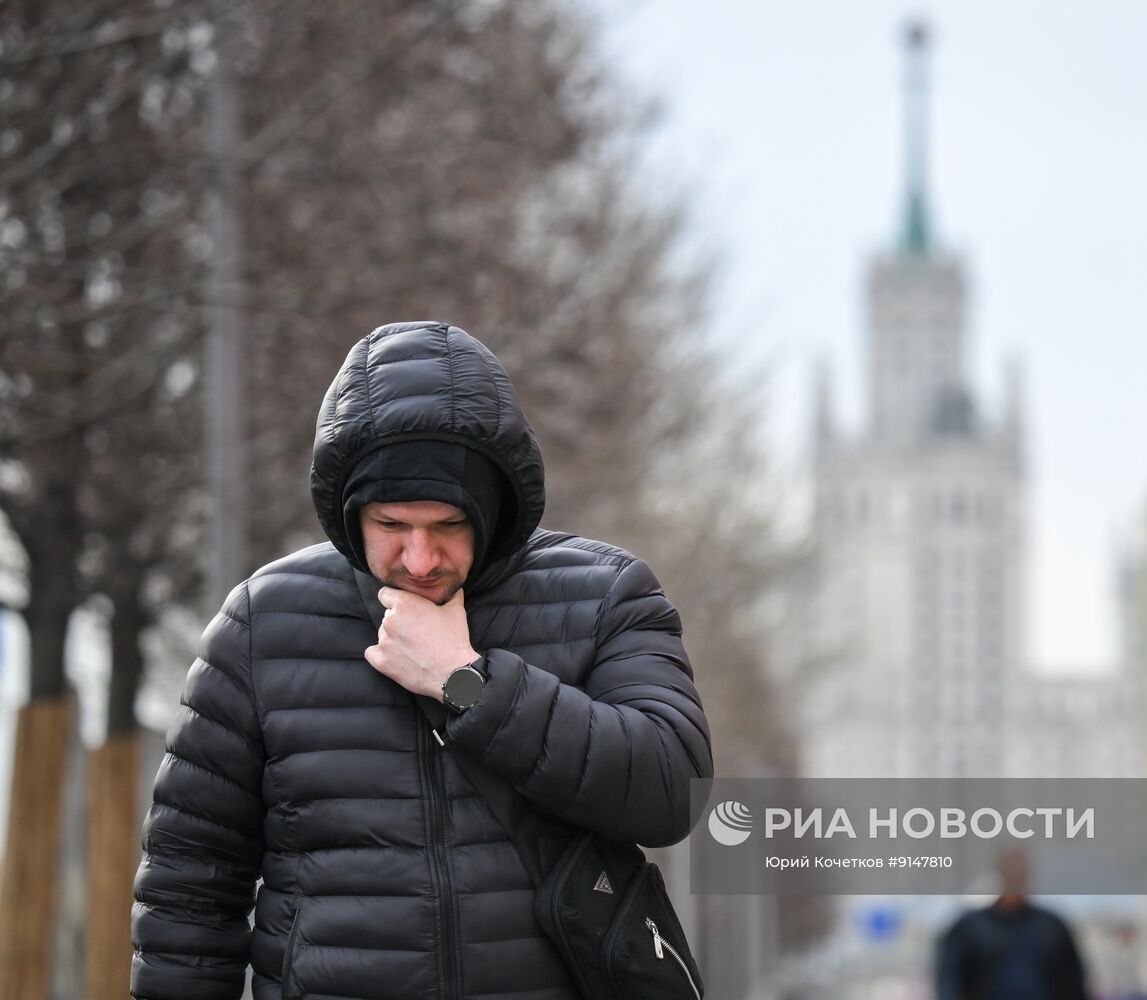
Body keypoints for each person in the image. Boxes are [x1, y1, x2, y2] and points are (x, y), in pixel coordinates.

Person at [131, 321, 714, 1000]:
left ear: (492, 510)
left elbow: (673, 788)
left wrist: (470, 683)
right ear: (352, 514)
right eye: (391, 527)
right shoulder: (263, 622)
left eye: (447, 526)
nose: (418, 559)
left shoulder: (604, 595)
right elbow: (189, 889)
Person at [935, 849, 1089, 1000]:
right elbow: (950, 981)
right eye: (1011, 871)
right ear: (1000, 874)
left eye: (1020, 872)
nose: (1016, 877)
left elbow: (1073, 982)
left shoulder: (1051, 927)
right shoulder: (970, 928)